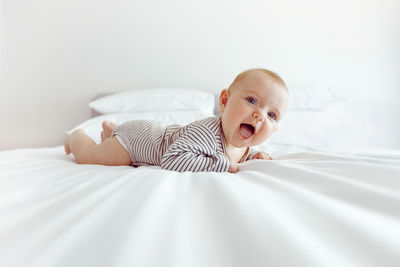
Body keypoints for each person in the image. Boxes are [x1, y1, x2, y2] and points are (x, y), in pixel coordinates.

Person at [64, 68, 289, 173]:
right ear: (224, 101)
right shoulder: (207, 132)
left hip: (151, 133)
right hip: (137, 143)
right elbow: (172, 160)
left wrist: (255, 156)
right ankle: (78, 138)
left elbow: (238, 155)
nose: (260, 114)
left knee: (114, 139)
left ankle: (111, 131)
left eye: (272, 115)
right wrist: (224, 165)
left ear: (275, 129)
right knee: (91, 157)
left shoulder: (244, 145)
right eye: (252, 100)